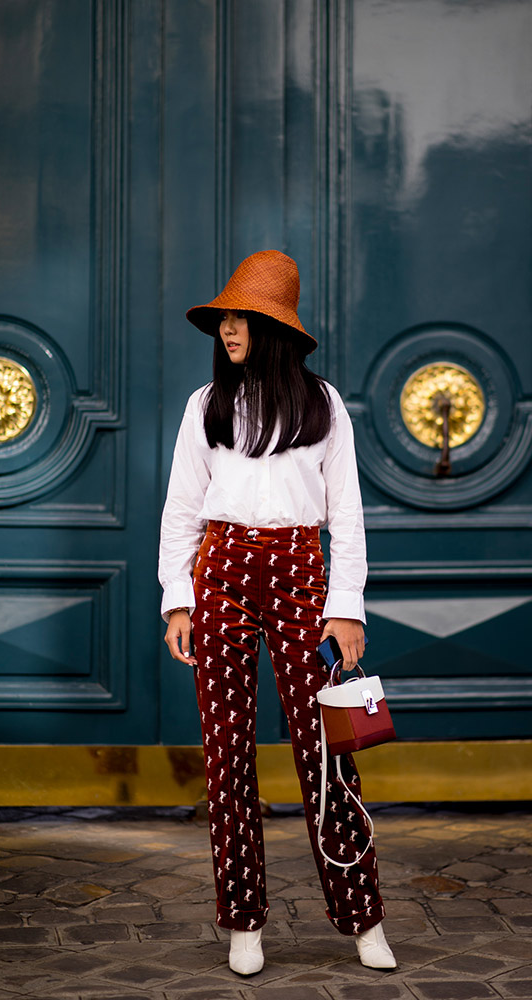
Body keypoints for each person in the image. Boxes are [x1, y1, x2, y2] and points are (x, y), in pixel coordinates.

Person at [158, 250, 396, 976]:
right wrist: (178, 597)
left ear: (274, 326)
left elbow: (347, 519)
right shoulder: (206, 406)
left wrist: (345, 609)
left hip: (300, 576)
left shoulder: (323, 406)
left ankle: (363, 919)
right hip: (221, 574)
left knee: (325, 752)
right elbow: (182, 511)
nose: (228, 329)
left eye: (242, 317)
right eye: (223, 318)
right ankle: (243, 921)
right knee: (226, 755)